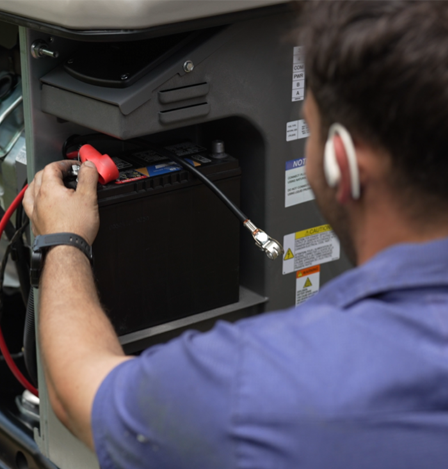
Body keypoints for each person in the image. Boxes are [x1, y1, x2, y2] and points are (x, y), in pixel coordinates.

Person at [22, 1, 448, 468]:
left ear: (341, 163)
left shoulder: (261, 383)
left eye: (310, 130)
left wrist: (63, 240)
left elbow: (80, 394)